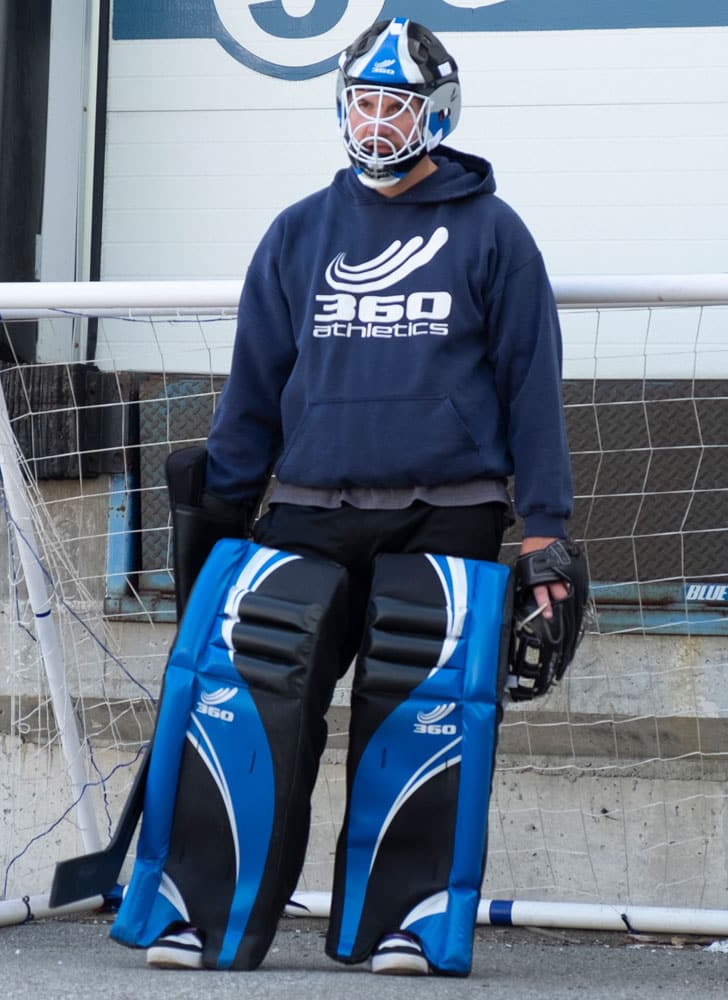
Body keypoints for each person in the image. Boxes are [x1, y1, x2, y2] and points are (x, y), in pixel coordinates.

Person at [144, 16, 573, 976]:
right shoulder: (299, 231)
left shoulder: (494, 234)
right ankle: (207, 918)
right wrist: (218, 505)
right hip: (306, 508)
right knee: (252, 710)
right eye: (364, 102)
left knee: (419, 714)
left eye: (397, 104)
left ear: (439, 112)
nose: (377, 122)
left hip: (448, 508)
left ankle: (405, 921)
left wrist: (545, 529)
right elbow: (254, 387)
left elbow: (531, 386)